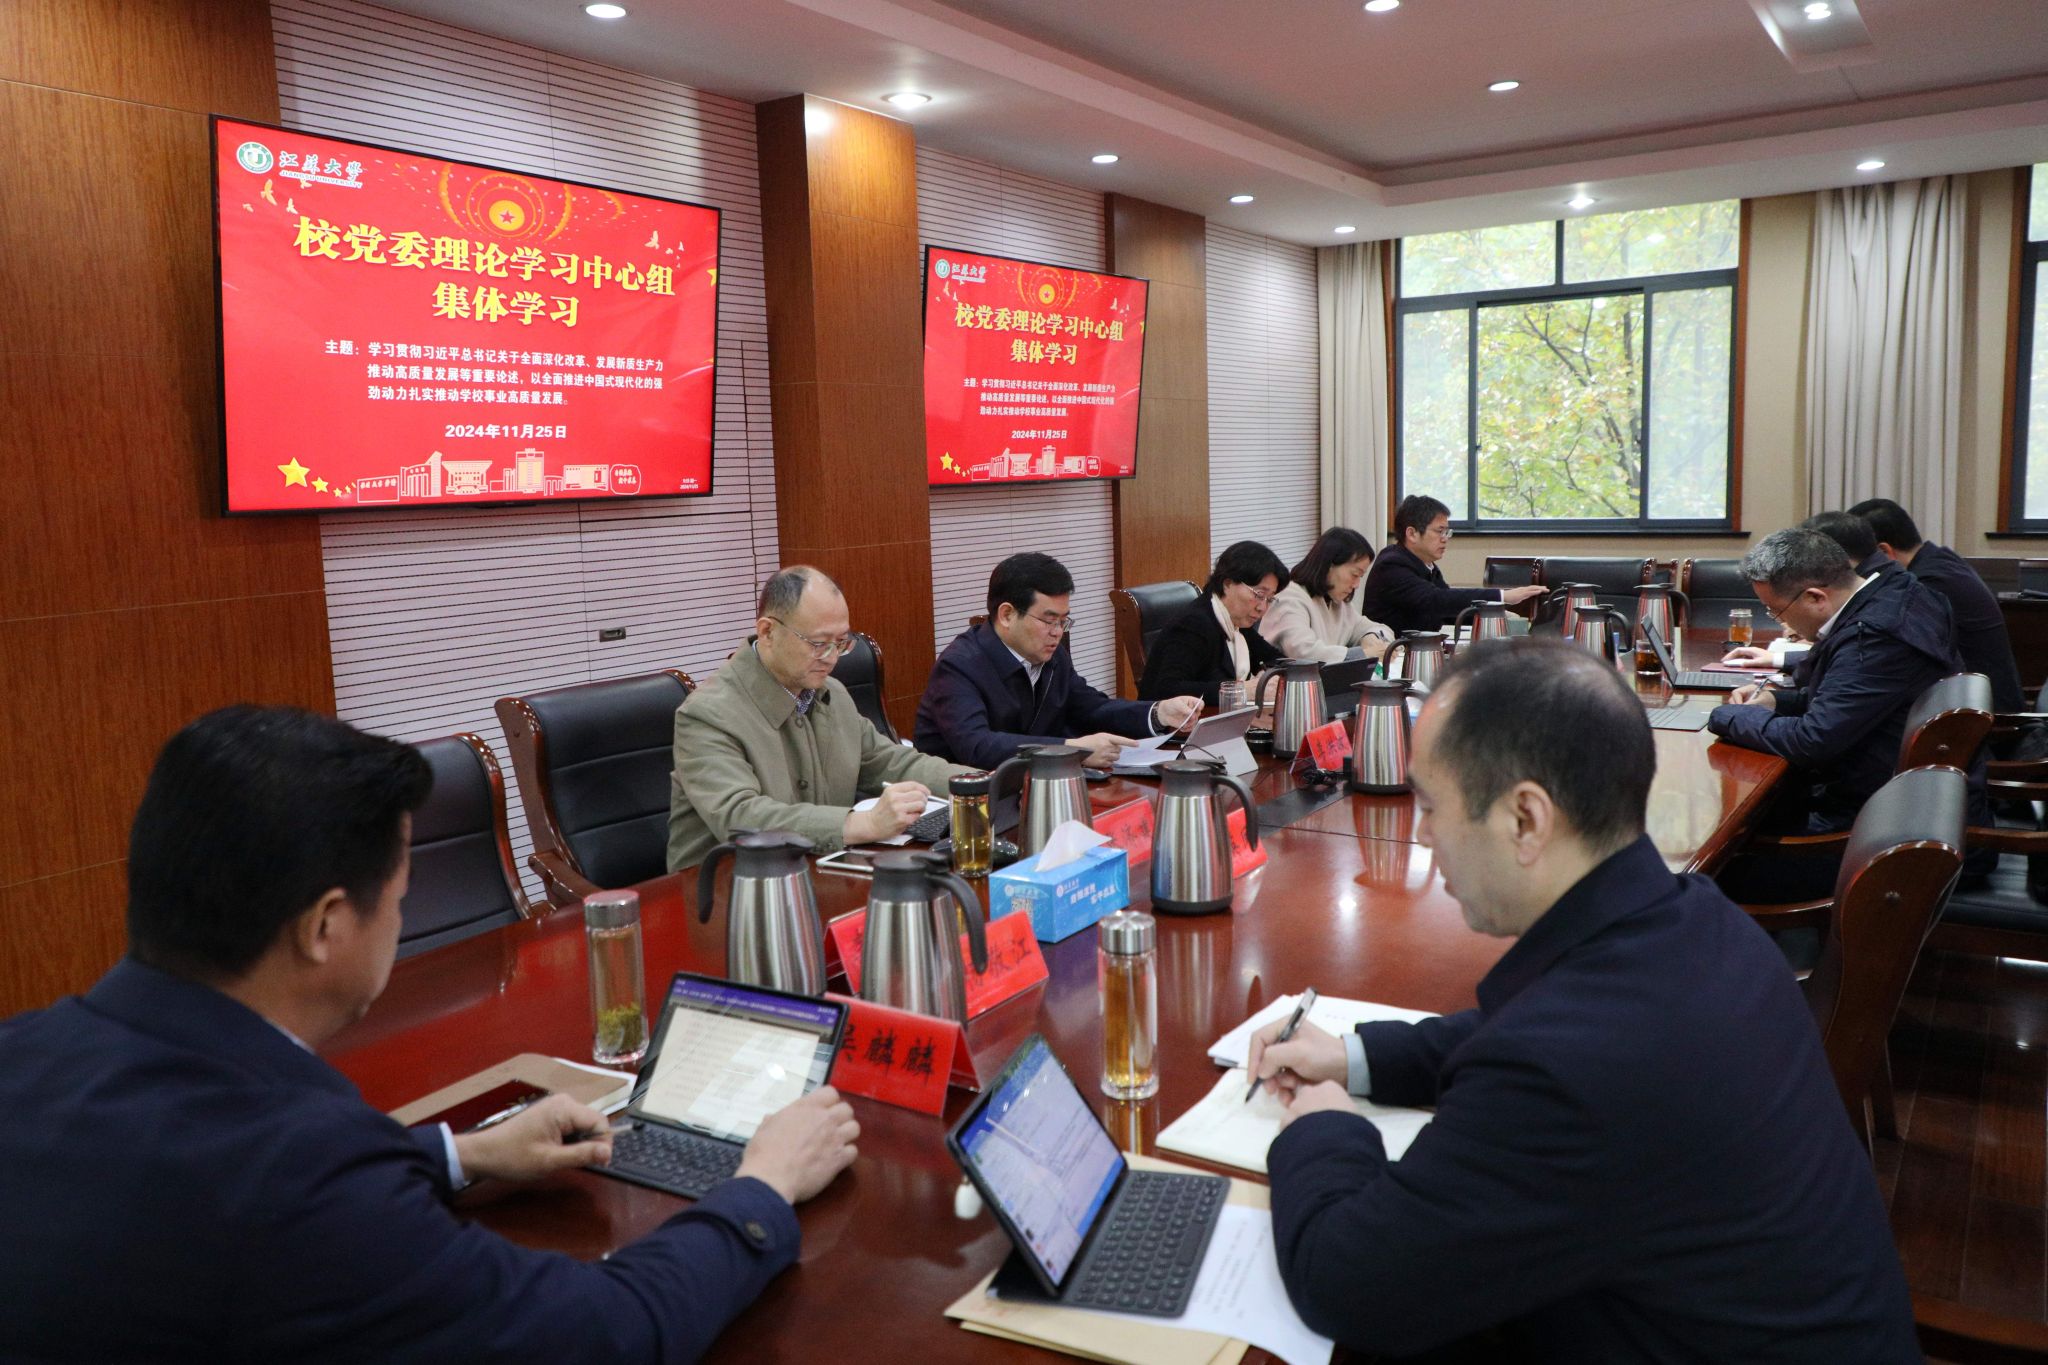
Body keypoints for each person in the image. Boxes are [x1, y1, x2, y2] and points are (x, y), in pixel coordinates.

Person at [0, 705, 861, 1364]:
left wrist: (459, 1155)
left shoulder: (25, 1053)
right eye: (401, 898)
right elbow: (606, 1331)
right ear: (325, 926)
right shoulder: (304, 1176)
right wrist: (761, 1187)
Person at [1248, 640, 1916, 1361]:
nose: (1424, 833)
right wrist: (1352, 1056)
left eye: (1433, 806)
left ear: (1526, 819)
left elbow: (1346, 1283)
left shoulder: (1564, 1070)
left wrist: (1322, 1124)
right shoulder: (1697, 918)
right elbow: (1526, 1030)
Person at [667, 566, 967, 870]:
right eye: (818, 643)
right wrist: (862, 824)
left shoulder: (831, 694)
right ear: (768, 632)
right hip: (724, 883)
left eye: (841, 642)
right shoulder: (707, 714)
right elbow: (741, 816)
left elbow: (892, 762)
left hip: (816, 870)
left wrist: (977, 785)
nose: (831, 657)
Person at [1708, 528, 1961, 833]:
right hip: (1901, 796)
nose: (1782, 622)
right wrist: (1777, 700)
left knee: (1731, 831)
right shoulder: (1896, 592)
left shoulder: (1874, 636)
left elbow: (1812, 741)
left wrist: (1727, 716)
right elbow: (1850, 700)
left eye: (1776, 611)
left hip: (1878, 823)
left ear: (1815, 598)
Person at [915, 552, 1201, 771]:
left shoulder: (1052, 656)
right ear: (1007, 615)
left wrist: (1158, 713)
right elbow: (977, 746)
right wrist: (1072, 749)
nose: (1057, 632)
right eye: (1049, 620)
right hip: (961, 803)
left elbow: (1090, 707)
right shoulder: (959, 666)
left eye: (1063, 621)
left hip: (1034, 786)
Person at [1851, 496, 2025, 713]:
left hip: (1984, 716)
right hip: (1969, 702)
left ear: (1884, 552)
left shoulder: (1928, 583)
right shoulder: (1939, 561)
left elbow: (1886, 654)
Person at [1359, 495, 1545, 635]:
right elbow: (1437, 600)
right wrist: (1502, 596)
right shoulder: (1392, 564)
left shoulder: (1426, 564)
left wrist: (1496, 615)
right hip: (1391, 655)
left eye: (1447, 532)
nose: (1445, 539)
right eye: (1440, 532)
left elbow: (1450, 610)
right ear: (1412, 534)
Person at [1138, 540, 1288, 704]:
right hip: (1181, 720)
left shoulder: (1238, 622)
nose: (1262, 608)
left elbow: (1277, 661)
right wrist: (1242, 689)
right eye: (1259, 595)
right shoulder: (1194, 624)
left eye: (1269, 599)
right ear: (1228, 584)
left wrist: (1270, 676)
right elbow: (1168, 689)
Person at [1259, 527, 1393, 664]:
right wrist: (1363, 654)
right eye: (1354, 575)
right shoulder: (1290, 598)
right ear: (1329, 565)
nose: (1356, 585)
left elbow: (1380, 629)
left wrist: (1370, 636)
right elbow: (1304, 652)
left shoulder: (1337, 602)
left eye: (1360, 577)